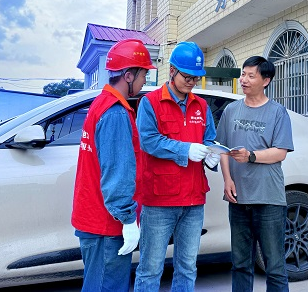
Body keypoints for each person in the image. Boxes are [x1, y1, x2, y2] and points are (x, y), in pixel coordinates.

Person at [134, 41, 220, 292]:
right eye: (187, 77)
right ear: (172, 71)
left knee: (187, 267)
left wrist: (211, 154)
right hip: (160, 200)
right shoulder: (150, 103)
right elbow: (149, 141)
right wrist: (186, 150)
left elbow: (208, 139)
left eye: (196, 78)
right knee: (150, 269)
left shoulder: (201, 106)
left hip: (193, 200)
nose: (192, 82)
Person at [72, 39, 156, 292]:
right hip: (107, 224)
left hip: (96, 219)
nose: (145, 82)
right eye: (143, 74)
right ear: (128, 75)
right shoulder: (116, 112)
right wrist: (128, 219)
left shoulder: (101, 104)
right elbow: (117, 173)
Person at [216, 56, 294, 292]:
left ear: (266, 80)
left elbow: (280, 152)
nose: (244, 80)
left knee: (275, 266)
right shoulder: (231, 110)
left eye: (251, 76)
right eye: (243, 74)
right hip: (238, 199)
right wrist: (227, 179)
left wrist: (251, 156)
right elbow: (222, 149)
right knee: (240, 264)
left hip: (268, 199)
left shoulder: (277, 112)